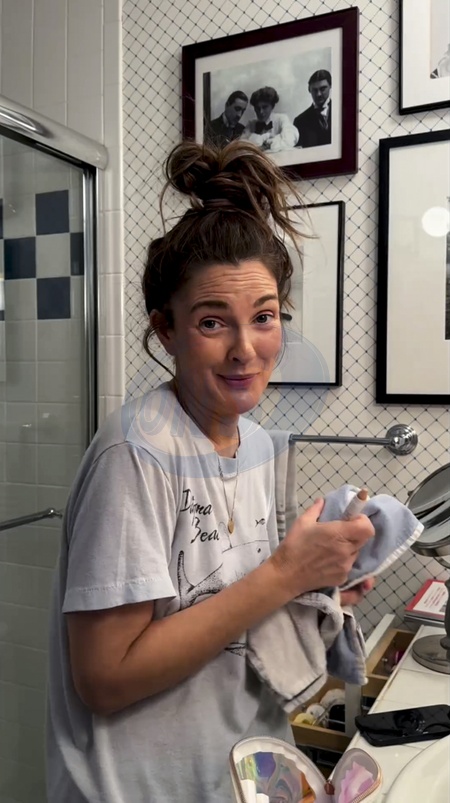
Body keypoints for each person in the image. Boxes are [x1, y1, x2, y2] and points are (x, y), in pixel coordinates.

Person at [46, 139, 374, 803]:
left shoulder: (254, 443)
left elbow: (229, 603)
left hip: (237, 775)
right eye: (212, 322)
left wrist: (317, 591)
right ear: (166, 330)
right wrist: (286, 575)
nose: (245, 349)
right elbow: (104, 678)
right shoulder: (135, 454)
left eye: (265, 317)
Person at [241, 86, 298, 152]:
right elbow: (242, 145)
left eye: (264, 107)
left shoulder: (281, 119)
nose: (261, 112)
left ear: (272, 106)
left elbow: (290, 138)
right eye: (257, 108)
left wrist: (268, 144)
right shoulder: (251, 124)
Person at [294, 69, 332, 149]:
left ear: (330, 86)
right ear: (309, 90)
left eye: (323, 89)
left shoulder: (342, 111)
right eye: (315, 90)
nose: (318, 94)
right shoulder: (300, 121)